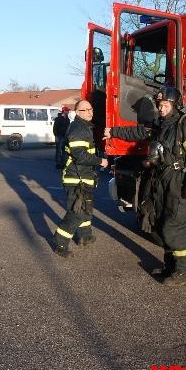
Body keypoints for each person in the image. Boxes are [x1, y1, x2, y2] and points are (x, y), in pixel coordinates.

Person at [103, 87, 186, 286]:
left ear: (174, 105)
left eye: (165, 105)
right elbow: (138, 131)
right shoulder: (159, 125)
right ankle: (171, 266)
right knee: (160, 223)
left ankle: (184, 272)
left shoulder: (185, 126)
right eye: (159, 105)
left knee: (173, 225)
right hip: (161, 179)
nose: (161, 109)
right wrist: (113, 132)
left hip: (179, 181)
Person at [51, 100, 108, 258]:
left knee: (85, 208)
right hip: (76, 178)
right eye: (85, 110)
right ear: (77, 112)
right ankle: (59, 242)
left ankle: (84, 236)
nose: (90, 112)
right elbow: (80, 155)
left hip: (83, 177)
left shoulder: (84, 127)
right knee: (75, 212)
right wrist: (99, 161)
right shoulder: (78, 129)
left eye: (91, 109)